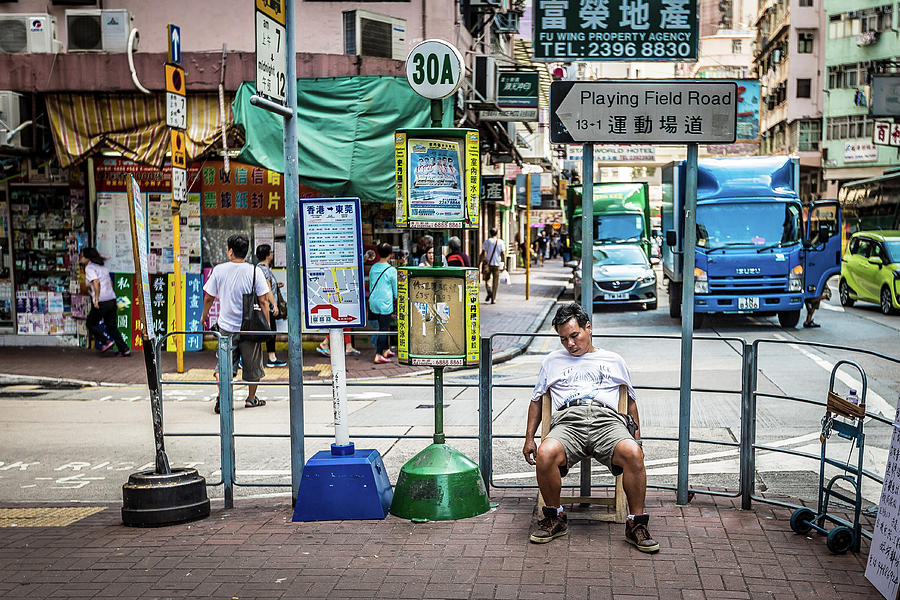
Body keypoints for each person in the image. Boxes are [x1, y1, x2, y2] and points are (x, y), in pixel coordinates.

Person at [522, 302, 659, 552]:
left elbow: (630, 402)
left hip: (607, 420)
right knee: (545, 453)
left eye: (574, 335)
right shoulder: (552, 361)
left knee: (632, 453)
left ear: (589, 328)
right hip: (568, 421)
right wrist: (529, 438)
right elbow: (536, 401)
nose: (570, 344)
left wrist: (637, 439)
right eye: (563, 339)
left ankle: (636, 524)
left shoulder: (613, 360)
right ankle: (555, 517)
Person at [202, 233, 271, 413]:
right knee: (253, 366)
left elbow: (209, 297)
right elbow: (263, 301)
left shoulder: (219, 270)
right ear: (246, 252)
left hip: (225, 327)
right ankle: (251, 398)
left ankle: (224, 396)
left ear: (230, 251)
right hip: (250, 327)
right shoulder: (255, 271)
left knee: (223, 366)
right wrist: (267, 326)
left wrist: (205, 315)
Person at [80, 247, 130, 357]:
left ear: (88, 258)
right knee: (111, 326)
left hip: (101, 300)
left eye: (82, 256)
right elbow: (110, 283)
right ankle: (124, 349)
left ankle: (105, 341)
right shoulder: (102, 267)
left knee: (90, 323)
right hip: (111, 299)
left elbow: (96, 282)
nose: (81, 258)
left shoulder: (90, 268)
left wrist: (96, 299)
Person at [255, 244, 286, 367]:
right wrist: (274, 304)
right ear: (268, 255)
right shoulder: (265, 270)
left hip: (264, 305)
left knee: (266, 331)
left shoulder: (259, 268)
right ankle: (271, 358)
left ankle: (270, 357)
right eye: (271, 252)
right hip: (266, 306)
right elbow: (267, 289)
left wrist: (276, 285)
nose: (272, 254)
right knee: (270, 331)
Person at [368, 242, 398, 364]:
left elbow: (370, 284)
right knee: (384, 328)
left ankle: (386, 350)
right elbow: (395, 289)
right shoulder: (391, 270)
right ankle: (379, 354)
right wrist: (397, 299)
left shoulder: (373, 267)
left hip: (374, 301)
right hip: (385, 302)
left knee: (382, 325)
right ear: (391, 255)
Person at [480, 227, 506, 303]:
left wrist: (480, 263)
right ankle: (493, 299)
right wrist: (504, 264)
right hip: (497, 264)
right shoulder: (501, 242)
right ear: (497, 233)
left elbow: (483, 253)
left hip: (488, 264)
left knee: (487, 279)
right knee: (495, 282)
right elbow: (503, 254)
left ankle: (489, 291)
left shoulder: (487, 241)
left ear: (490, 233)